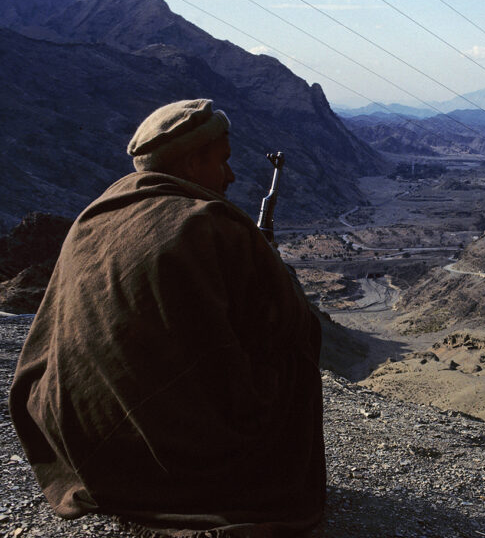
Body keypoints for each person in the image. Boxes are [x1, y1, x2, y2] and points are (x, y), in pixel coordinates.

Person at [9, 99, 326, 537]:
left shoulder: (96, 213)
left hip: (80, 438)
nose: (230, 177)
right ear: (193, 162)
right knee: (300, 348)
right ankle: (243, 473)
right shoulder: (212, 223)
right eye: (223, 162)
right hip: (183, 451)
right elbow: (289, 324)